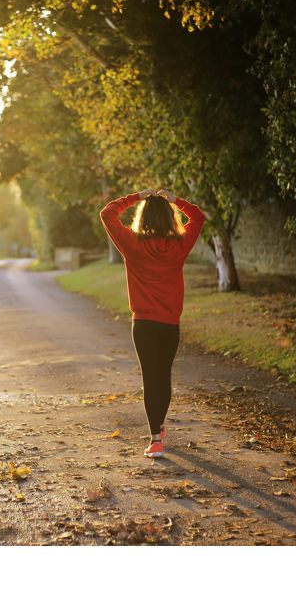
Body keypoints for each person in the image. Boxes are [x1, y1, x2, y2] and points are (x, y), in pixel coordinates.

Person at [99, 188, 206, 458]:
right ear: (170, 218)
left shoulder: (132, 244)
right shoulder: (180, 245)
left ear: (142, 217)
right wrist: (175, 200)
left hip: (144, 324)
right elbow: (198, 217)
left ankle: (156, 438)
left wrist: (136, 196)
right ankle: (158, 427)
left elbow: (107, 213)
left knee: (151, 378)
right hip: (169, 324)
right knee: (163, 376)